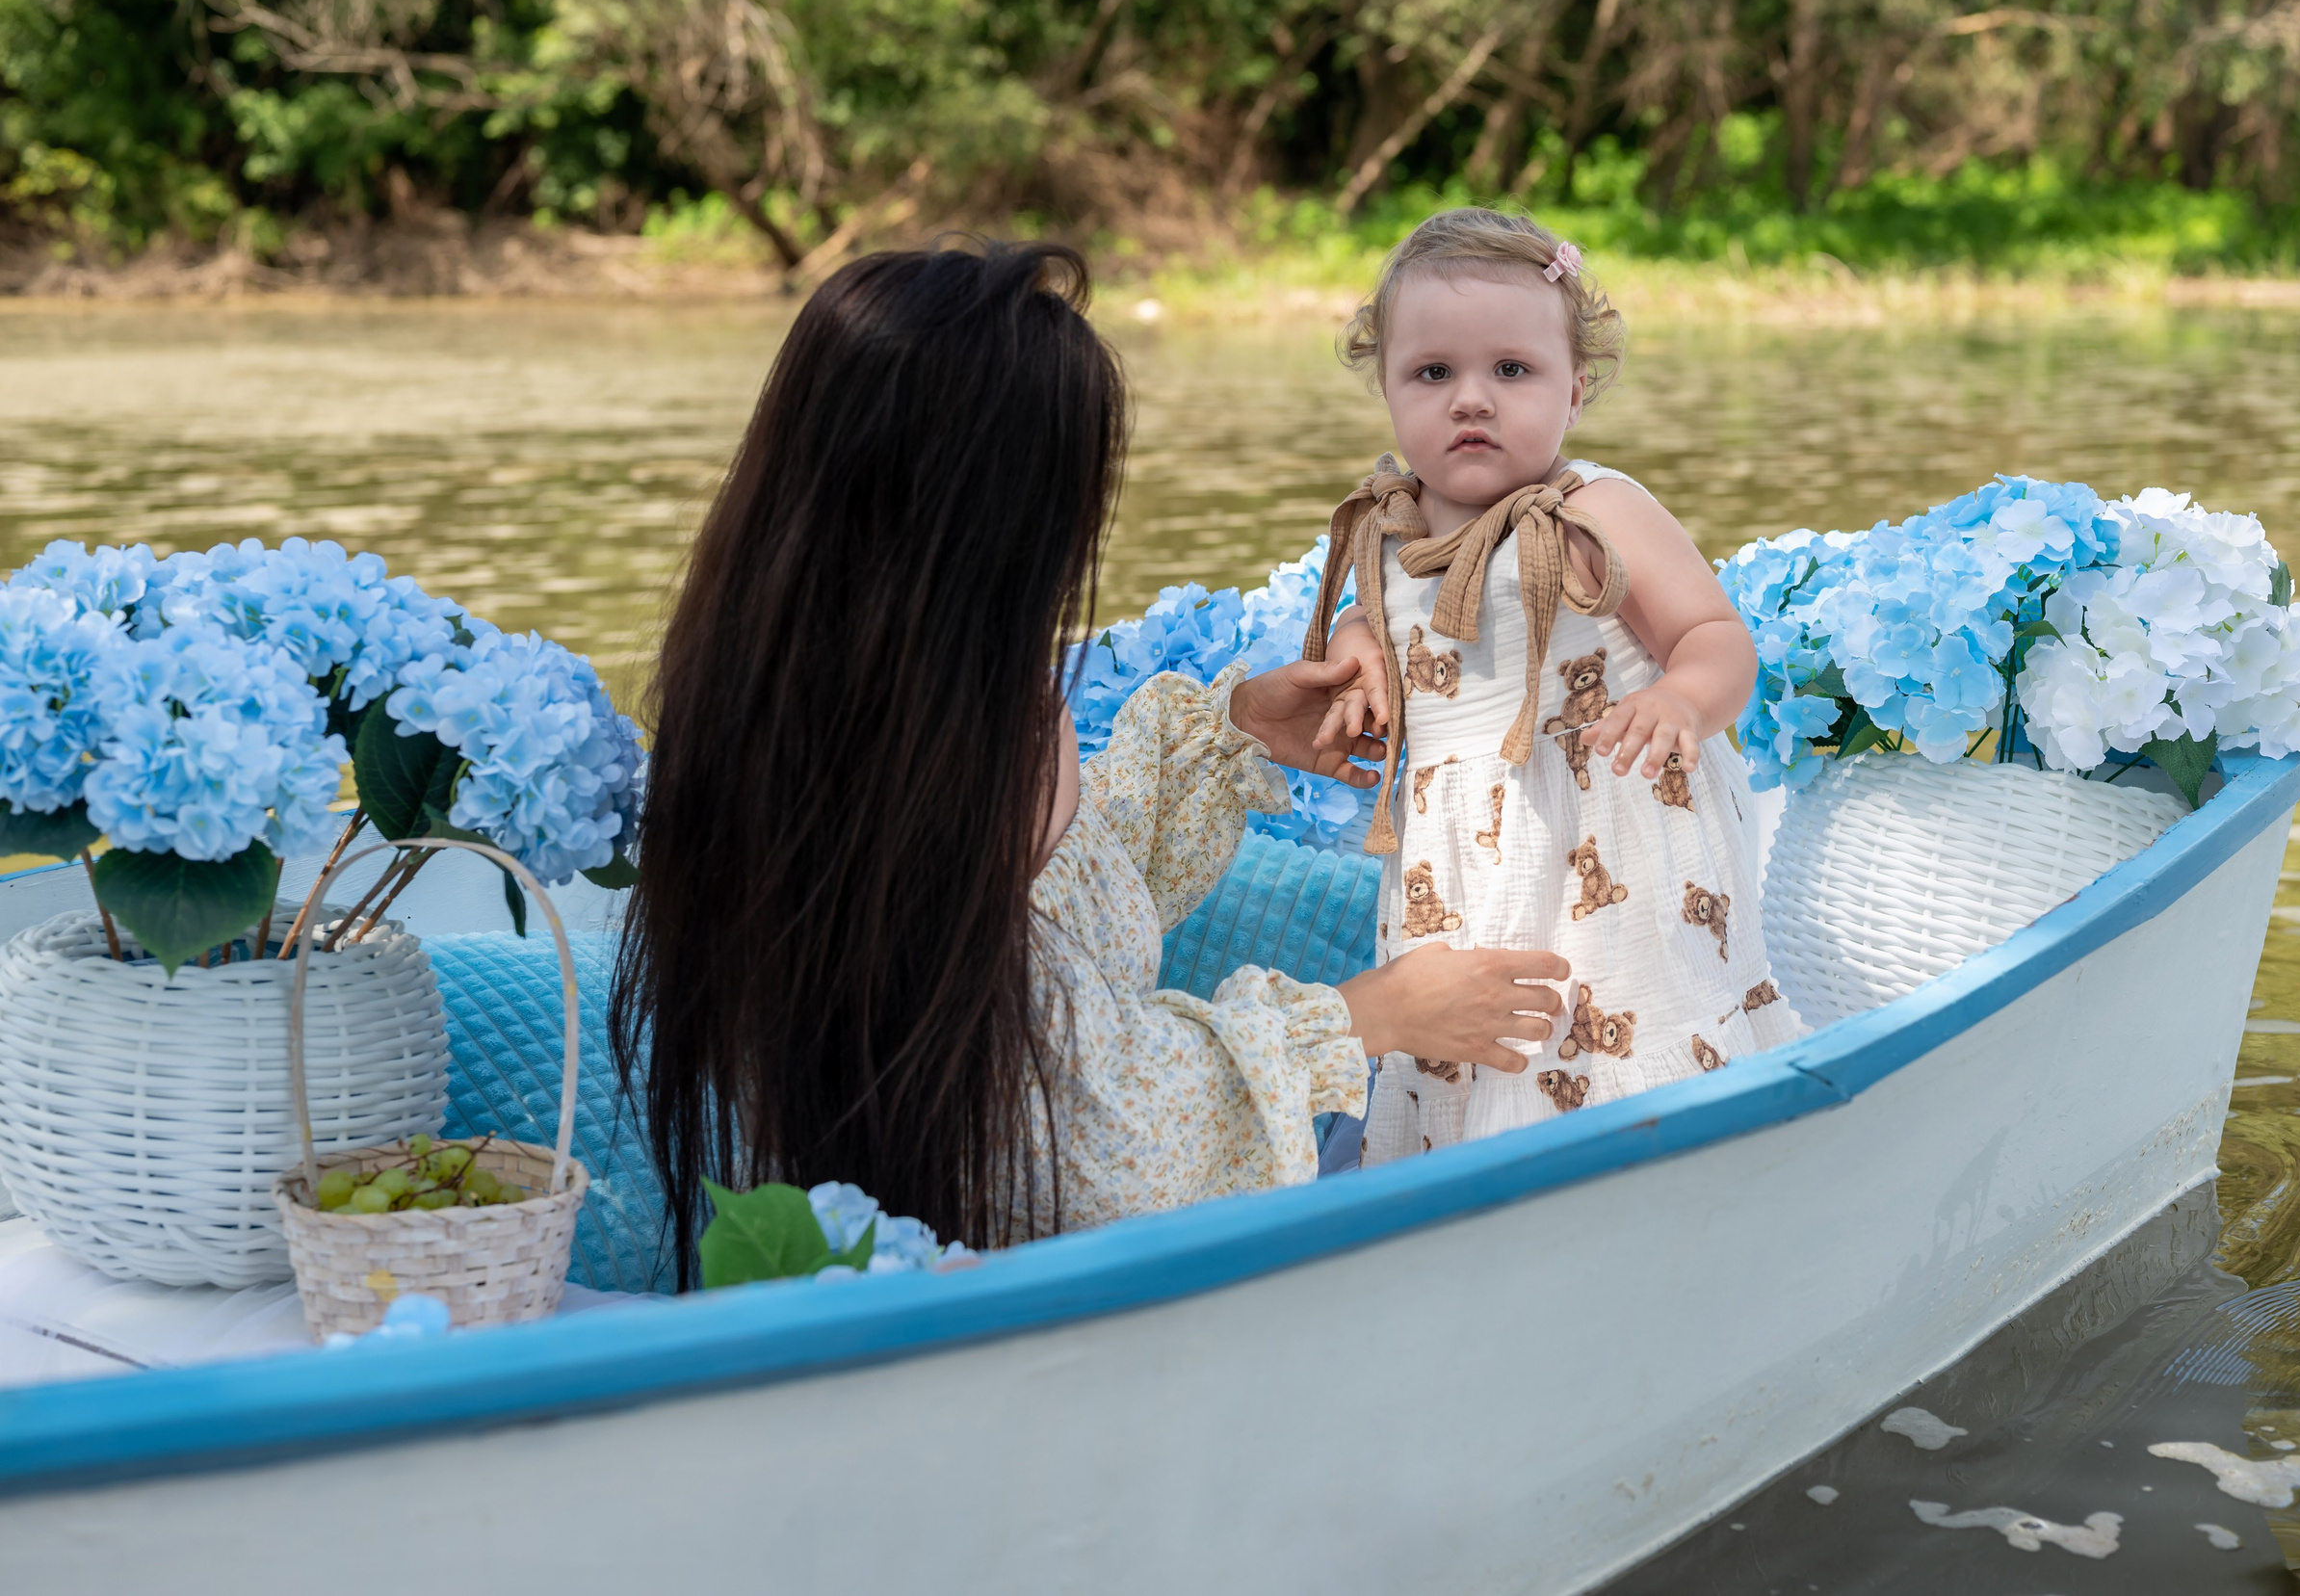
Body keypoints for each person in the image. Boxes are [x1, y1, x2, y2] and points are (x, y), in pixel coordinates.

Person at [611, 239, 1568, 1279]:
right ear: (984, 522)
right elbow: (1101, 1146)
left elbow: (1061, 924)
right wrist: (1367, 1016)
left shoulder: (808, 690)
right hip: (989, 1278)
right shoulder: (914, 757)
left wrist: (1234, 730)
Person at [1305, 206, 1802, 1163]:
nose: (1471, 399)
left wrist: (1679, 700)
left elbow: (1713, 637)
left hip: (1610, 834)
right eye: (1433, 373)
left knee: (1619, 1030)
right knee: (1481, 1048)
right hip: (1456, 868)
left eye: (1512, 370)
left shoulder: (1595, 509)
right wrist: (1353, 648)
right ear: (1387, 389)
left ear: (1574, 389)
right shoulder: (1389, 539)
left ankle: (1678, 1173)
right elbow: (1386, 633)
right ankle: (1476, 1203)